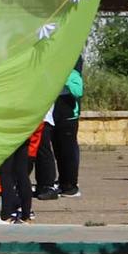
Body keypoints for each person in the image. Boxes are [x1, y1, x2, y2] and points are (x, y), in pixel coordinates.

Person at [35, 59, 84, 200]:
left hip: (67, 117)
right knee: (55, 150)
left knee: (67, 153)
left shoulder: (72, 73)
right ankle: (60, 182)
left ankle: (70, 185)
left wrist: (64, 77)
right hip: (54, 116)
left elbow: (78, 90)